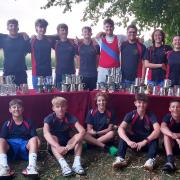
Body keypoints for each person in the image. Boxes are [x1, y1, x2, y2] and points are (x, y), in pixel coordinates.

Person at [113, 93, 160, 170]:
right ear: (135, 103)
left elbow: (157, 130)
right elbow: (120, 128)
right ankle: (120, 158)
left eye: (144, 102)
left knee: (155, 138)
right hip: (134, 143)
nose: (141, 105)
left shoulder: (150, 114)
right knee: (124, 136)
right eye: (139, 102)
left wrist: (144, 142)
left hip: (146, 143)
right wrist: (128, 141)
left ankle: (150, 160)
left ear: (147, 104)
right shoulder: (130, 114)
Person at [43, 96, 85, 177]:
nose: (60, 109)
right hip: (55, 146)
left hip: (67, 145)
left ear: (66, 107)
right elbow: (46, 133)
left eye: (63, 106)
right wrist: (57, 146)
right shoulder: (49, 118)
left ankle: (76, 164)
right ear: (53, 108)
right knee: (54, 138)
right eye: (57, 107)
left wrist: (73, 144)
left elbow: (82, 131)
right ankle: (64, 166)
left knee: (78, 137)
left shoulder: (69, 116)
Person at [0, 99, 40, 177]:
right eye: (14, 107)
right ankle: (4, 167)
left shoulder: (29, 122)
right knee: (1, 140)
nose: (16, 109)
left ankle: (32, 167)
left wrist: (37, 145)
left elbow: (35, 137)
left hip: (24, 147)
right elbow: (2, 140)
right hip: (11, 149)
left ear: (23, 109)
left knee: (34, 139)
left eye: (19, 107)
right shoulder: (7, 123)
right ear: (10, 110)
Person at [0, 19, 31, 86]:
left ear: (18, 28)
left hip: (21, 73)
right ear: (7, 28)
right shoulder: (3, 39)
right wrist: (22, 33)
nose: (13, 27)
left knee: (23, 95)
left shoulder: (24, 38)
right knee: (8, 94)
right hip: (8, 72)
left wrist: (23, 34)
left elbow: (29, 50)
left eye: (15, 26)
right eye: (11, 26)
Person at [95, 18, 126, 83]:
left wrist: (138, 39)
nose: (109, 28)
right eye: (107, 27)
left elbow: (130, 37)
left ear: (113, 27)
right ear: (103, 27)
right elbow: (93, 37)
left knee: (115, 90)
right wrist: (102, 32)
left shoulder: (119, 38)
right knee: (101, 90)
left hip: (115, 70)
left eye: (111, 26)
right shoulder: (101, 39)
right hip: (102, 70)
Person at [31, 19, 53, 90]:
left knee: (49, 95)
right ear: (36, 28)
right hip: (36, 73)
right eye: (40, 27)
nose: (43, 29)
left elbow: (61, 36)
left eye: (44, 27)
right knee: (37, 95)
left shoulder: (49, 40)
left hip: (48, 73)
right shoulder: (31, 41)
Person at [77, 26, 100, 90]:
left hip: (93, 75)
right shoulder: (78, 46)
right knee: (82, 95)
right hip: (82, 75)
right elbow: (77, 59)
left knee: (93, 95)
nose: (87, 33)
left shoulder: (96, 46)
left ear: (91, 34)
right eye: (85, 32)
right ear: (82, 34)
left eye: (89, 32)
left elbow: (98, 60)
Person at [161, 99, 180, 172]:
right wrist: (175, 137)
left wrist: (177, 135)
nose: (175, 109)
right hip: (171, 146)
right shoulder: (168, 116)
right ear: (169, 109)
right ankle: (170, 162)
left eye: (178, 107)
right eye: (173, 107)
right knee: (166, 135)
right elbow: (162, 128)